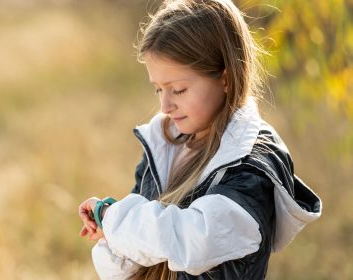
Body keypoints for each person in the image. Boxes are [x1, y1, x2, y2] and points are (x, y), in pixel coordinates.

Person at [77, 0, 322, 279]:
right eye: (158, 90)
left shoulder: (253, 166)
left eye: (178, 90)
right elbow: (135, 261)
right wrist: (109, 235)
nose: (165, 106)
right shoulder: (165, 147)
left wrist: (117, 220)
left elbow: (193, 240)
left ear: (226, 78)